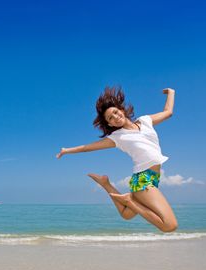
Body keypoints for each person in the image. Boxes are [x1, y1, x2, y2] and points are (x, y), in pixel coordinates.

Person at [56, 86, 178, 233]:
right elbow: (87, 147)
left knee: (126, 215)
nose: (115, 117)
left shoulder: (145, 121)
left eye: (115, 112)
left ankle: (106, 184)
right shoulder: (117, 137)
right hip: (143, 179)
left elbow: (168, 112)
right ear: (110, 124)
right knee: (169, 226)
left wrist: (171, 93)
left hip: (153, 178)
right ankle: (128, 201)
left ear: (121, 109)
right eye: (110, 118)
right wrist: (66, 150)